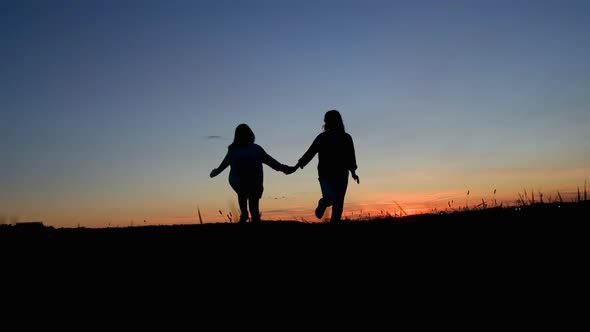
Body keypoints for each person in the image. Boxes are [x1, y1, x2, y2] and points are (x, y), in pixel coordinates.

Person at [285, 110, 359, 222]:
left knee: (338, 204)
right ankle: (323, 203)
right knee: (330, 198)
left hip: (342, 175)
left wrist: (353, 172)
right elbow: (310, 153)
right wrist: (296, 166)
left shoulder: (346, 138)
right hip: (326, 175)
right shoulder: (322, 138)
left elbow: (351, 156)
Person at [210, 123, 290, 223]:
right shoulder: (242, 149)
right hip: (244, 182)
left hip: (248, 182)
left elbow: (269, 160)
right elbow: (270, 161)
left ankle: (246, 216)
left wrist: (282, 168)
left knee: (247, 199)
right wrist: (283, 168)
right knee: (248, 200)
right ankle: (247, 216)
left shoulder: (252, 149)